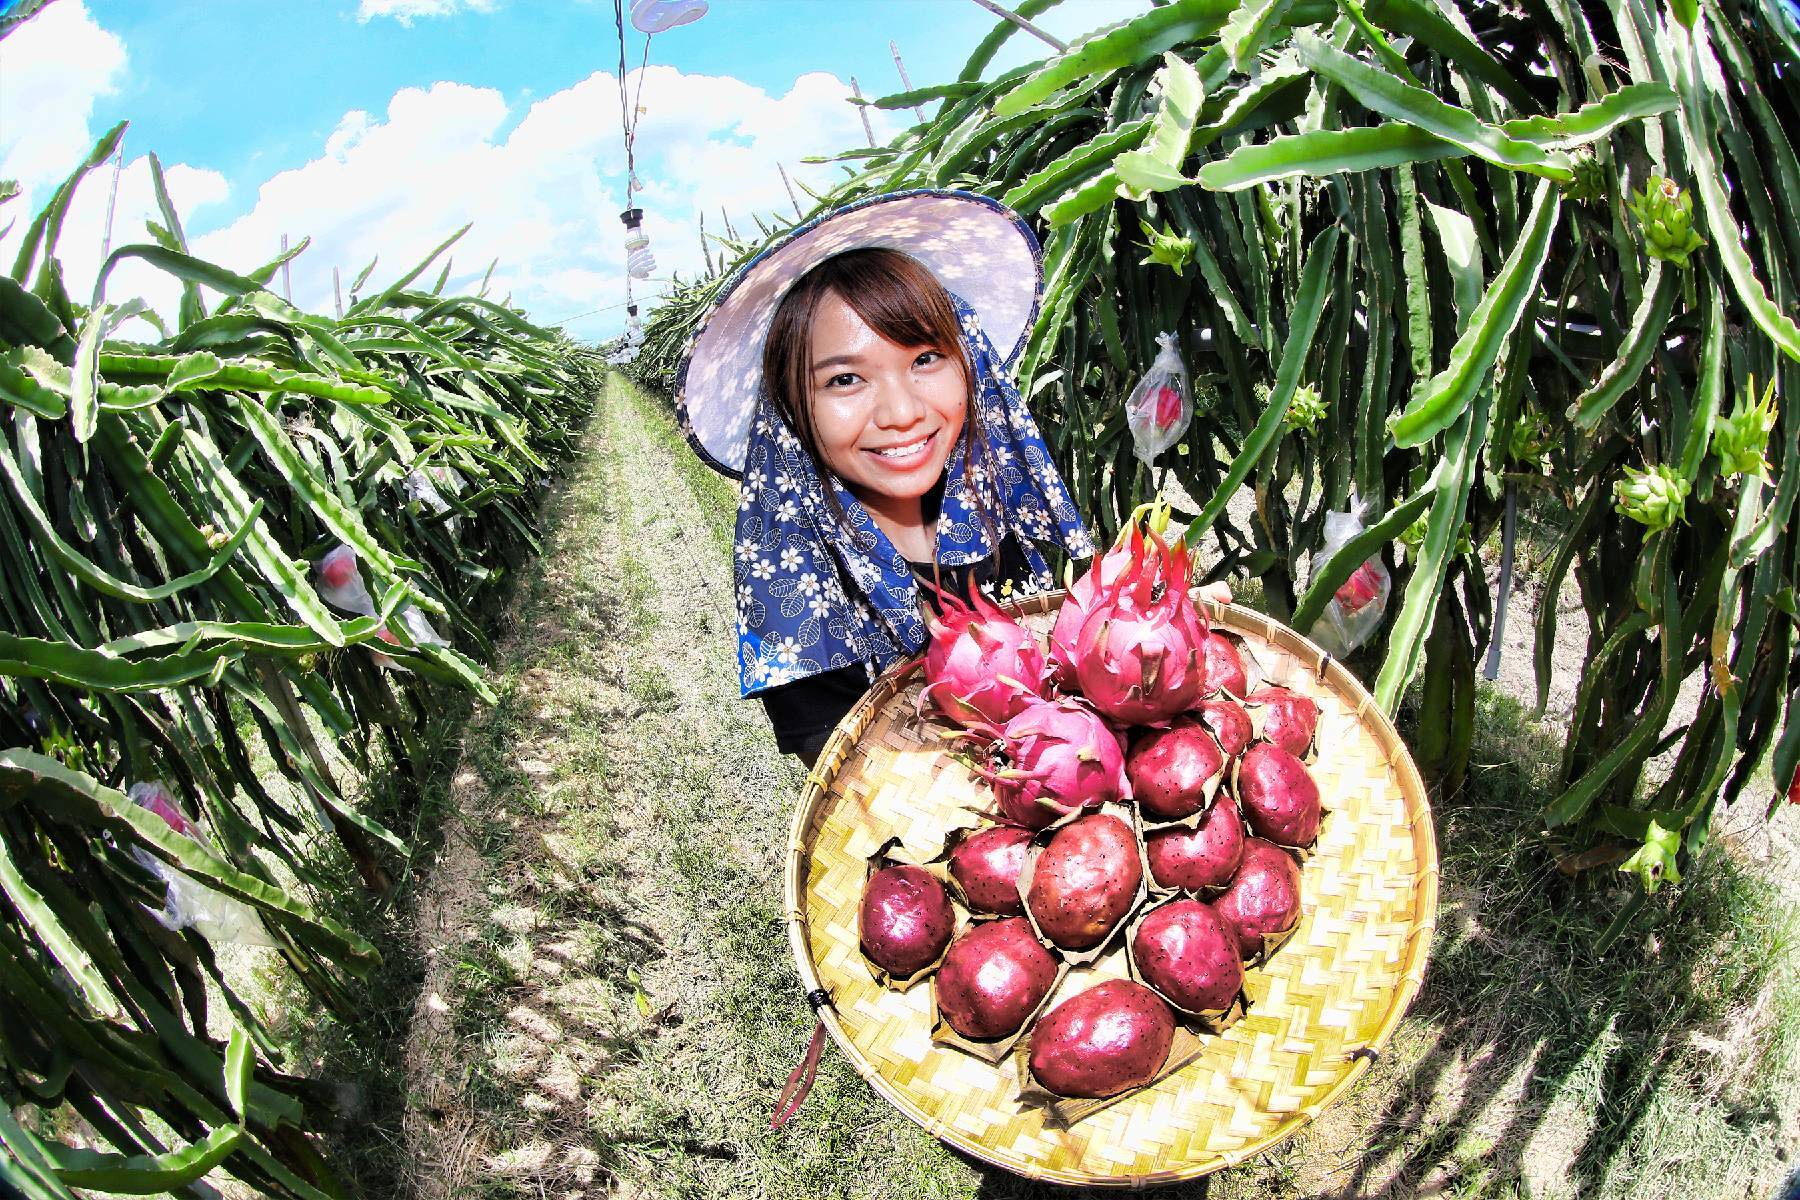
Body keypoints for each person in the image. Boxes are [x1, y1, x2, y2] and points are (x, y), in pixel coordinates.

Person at [676, 190, 1218, 765]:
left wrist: (1159, 645)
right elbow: (862, 793)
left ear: (970, 362)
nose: (901, 412)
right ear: (789, 410)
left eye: (925, 359)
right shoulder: (800, 601)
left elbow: (1066, 676)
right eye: (843, 381)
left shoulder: (986, 511)